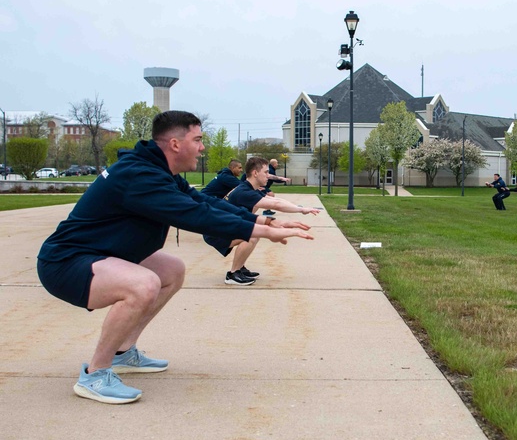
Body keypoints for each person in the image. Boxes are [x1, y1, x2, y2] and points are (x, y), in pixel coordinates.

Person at [36, 111, 314, 404]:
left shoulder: (158, 171)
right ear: (175, 144)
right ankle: (95, 374)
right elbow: (195, 215)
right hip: (66, 262)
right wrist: (256, 230)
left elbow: (202, 201)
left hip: (99, 254)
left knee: (171, 270)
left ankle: (123, 353)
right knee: (143, 284)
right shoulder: (139, 176)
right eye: (198, 139)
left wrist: (264, 223)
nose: (203, 147)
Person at [203, 156, 321, 285]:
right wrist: (301, 210)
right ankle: (233, 274)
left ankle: (240, 267)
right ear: (255, 173)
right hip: (215, 232)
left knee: (253, 233)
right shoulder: (244, 192)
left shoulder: (248, 188)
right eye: (265, 172)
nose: (268, 175)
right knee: (252, 235)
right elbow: (275, 205)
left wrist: (300, 208)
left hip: (223, 227)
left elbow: (276, 201)